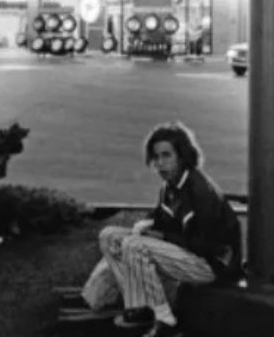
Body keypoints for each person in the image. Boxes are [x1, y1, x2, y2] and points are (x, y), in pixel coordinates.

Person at [73, 122, 242, 337]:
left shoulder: (200, 191)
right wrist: (149, 224)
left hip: (212, 265)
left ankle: (163, 320)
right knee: (110, 236)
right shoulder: (170, 186)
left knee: (134, 245)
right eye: (156, 157)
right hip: (189, 254)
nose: (160, 164)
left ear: (182, 156)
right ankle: (115, 302)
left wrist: (162, 236)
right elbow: (163, 218)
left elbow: (208, 245)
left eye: (166, 156)